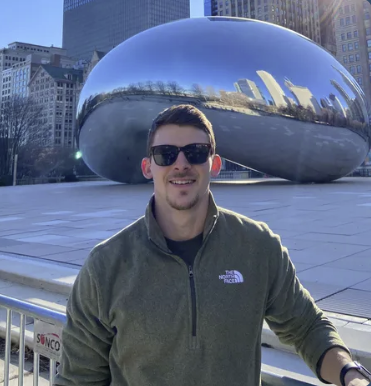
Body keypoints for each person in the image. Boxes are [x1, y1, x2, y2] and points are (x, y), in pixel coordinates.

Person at [54, 104, 371, 386]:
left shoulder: (258, 246)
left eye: (195, 152)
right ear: (148, 167)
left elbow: (306, 326)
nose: (181, 164)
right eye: (166, 154)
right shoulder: (105, 266)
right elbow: (78, 377)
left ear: (214, 163)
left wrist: (350, 374)